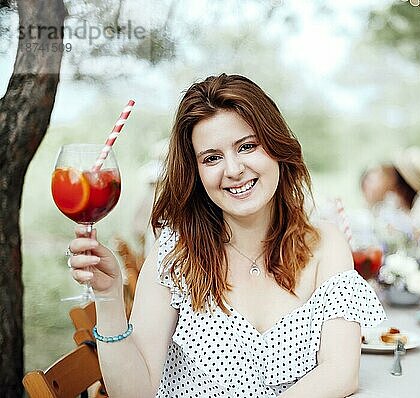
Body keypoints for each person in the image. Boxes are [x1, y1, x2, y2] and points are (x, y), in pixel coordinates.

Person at [66, 74, 386, 397]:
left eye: (247, 146)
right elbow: (134, 393)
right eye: (212, 158)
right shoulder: (175, 255)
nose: (233, 170)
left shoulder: (325, 244)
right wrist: (107, 297)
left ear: (277, 147)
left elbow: (341, 372)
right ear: (197, 172)